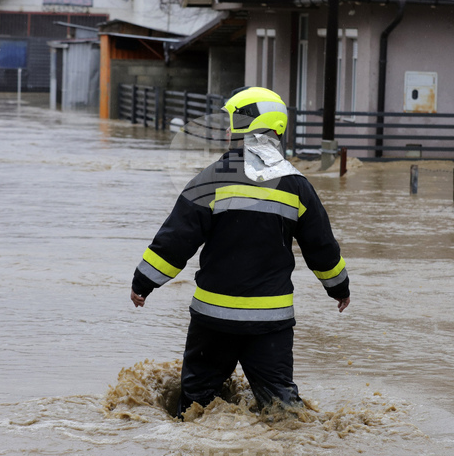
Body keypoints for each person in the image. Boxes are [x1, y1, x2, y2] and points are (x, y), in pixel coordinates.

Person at [130, 86, 350, 414]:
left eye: (231, 124)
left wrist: (143, 283)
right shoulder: (297, 185)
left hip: (213, 320)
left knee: (196, 405)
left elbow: (175, 240)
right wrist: (339, 289)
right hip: (270, 323)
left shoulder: (210, 180)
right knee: (282, 409)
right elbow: (322, 248)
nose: (226, 132)